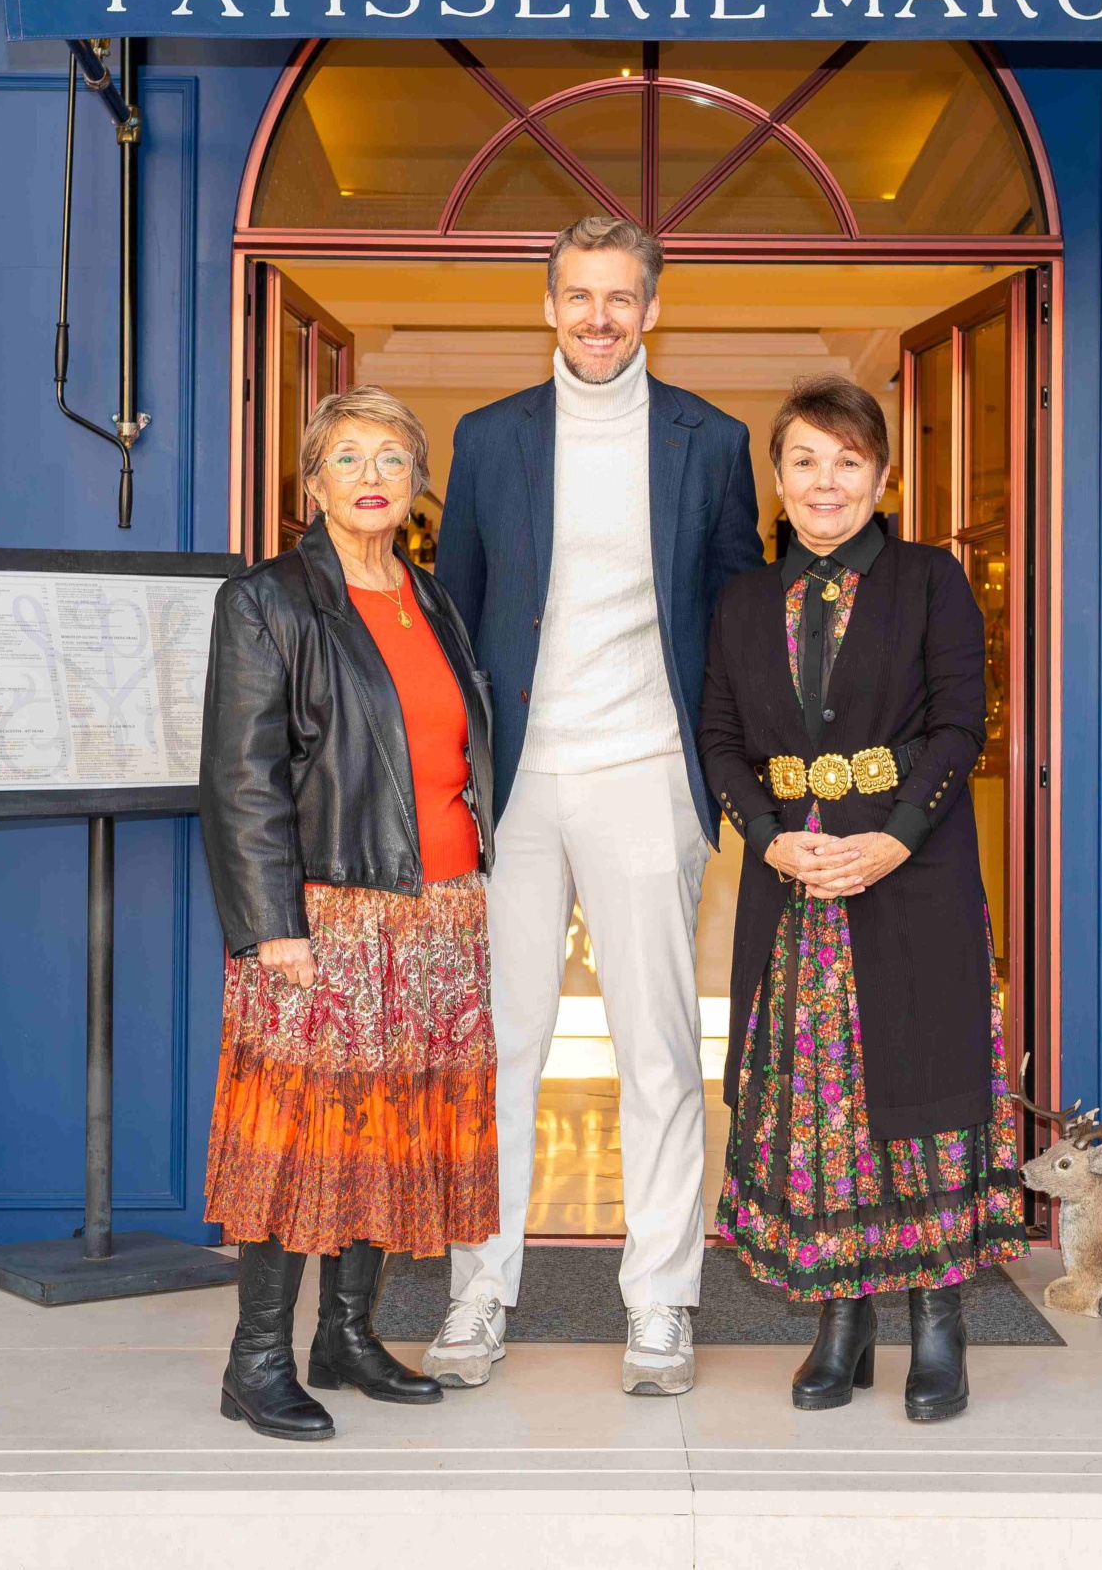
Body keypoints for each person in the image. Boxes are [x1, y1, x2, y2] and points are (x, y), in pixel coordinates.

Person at [429, 217, 764, 1395]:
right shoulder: (489, 437)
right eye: (578, 294)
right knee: (500, 1048)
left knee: (661, 1053)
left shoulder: (711, 442)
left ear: (652, 307)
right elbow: (455, 619)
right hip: (517, 783)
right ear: (548, 304)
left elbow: (735, 620)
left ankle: (662, 1302)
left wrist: (727, 775)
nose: (599, 317)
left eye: (620, 297)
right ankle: (479, 1294)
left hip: (648, 774)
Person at [699, 375, 1027, 1424]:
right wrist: (769, 837)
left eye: (847, 461)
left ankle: (938, 1320)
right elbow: (716, 738)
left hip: (911, 877)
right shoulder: (745, 596)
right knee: (818, 1112)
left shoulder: (932, 578)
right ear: (778, 478)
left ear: (881, 475)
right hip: (792, 888)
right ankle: (839, 1320)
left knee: (923, 1101)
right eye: (803, 460)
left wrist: (895, 838)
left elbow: (959, 724)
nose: (825, 481)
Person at [199, 385, 500, 1443]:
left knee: (391, 1128)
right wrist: (270, 923)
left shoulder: (433, 596)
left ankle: (349, 1335)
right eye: (347, 457)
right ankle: (255, 1359)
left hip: (439, 909)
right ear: (311, 481)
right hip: (323, 910)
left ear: (416, 484)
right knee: (296, 1139)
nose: (370, 476)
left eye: (391, 458)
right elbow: (240, 778)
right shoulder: (268, 599)